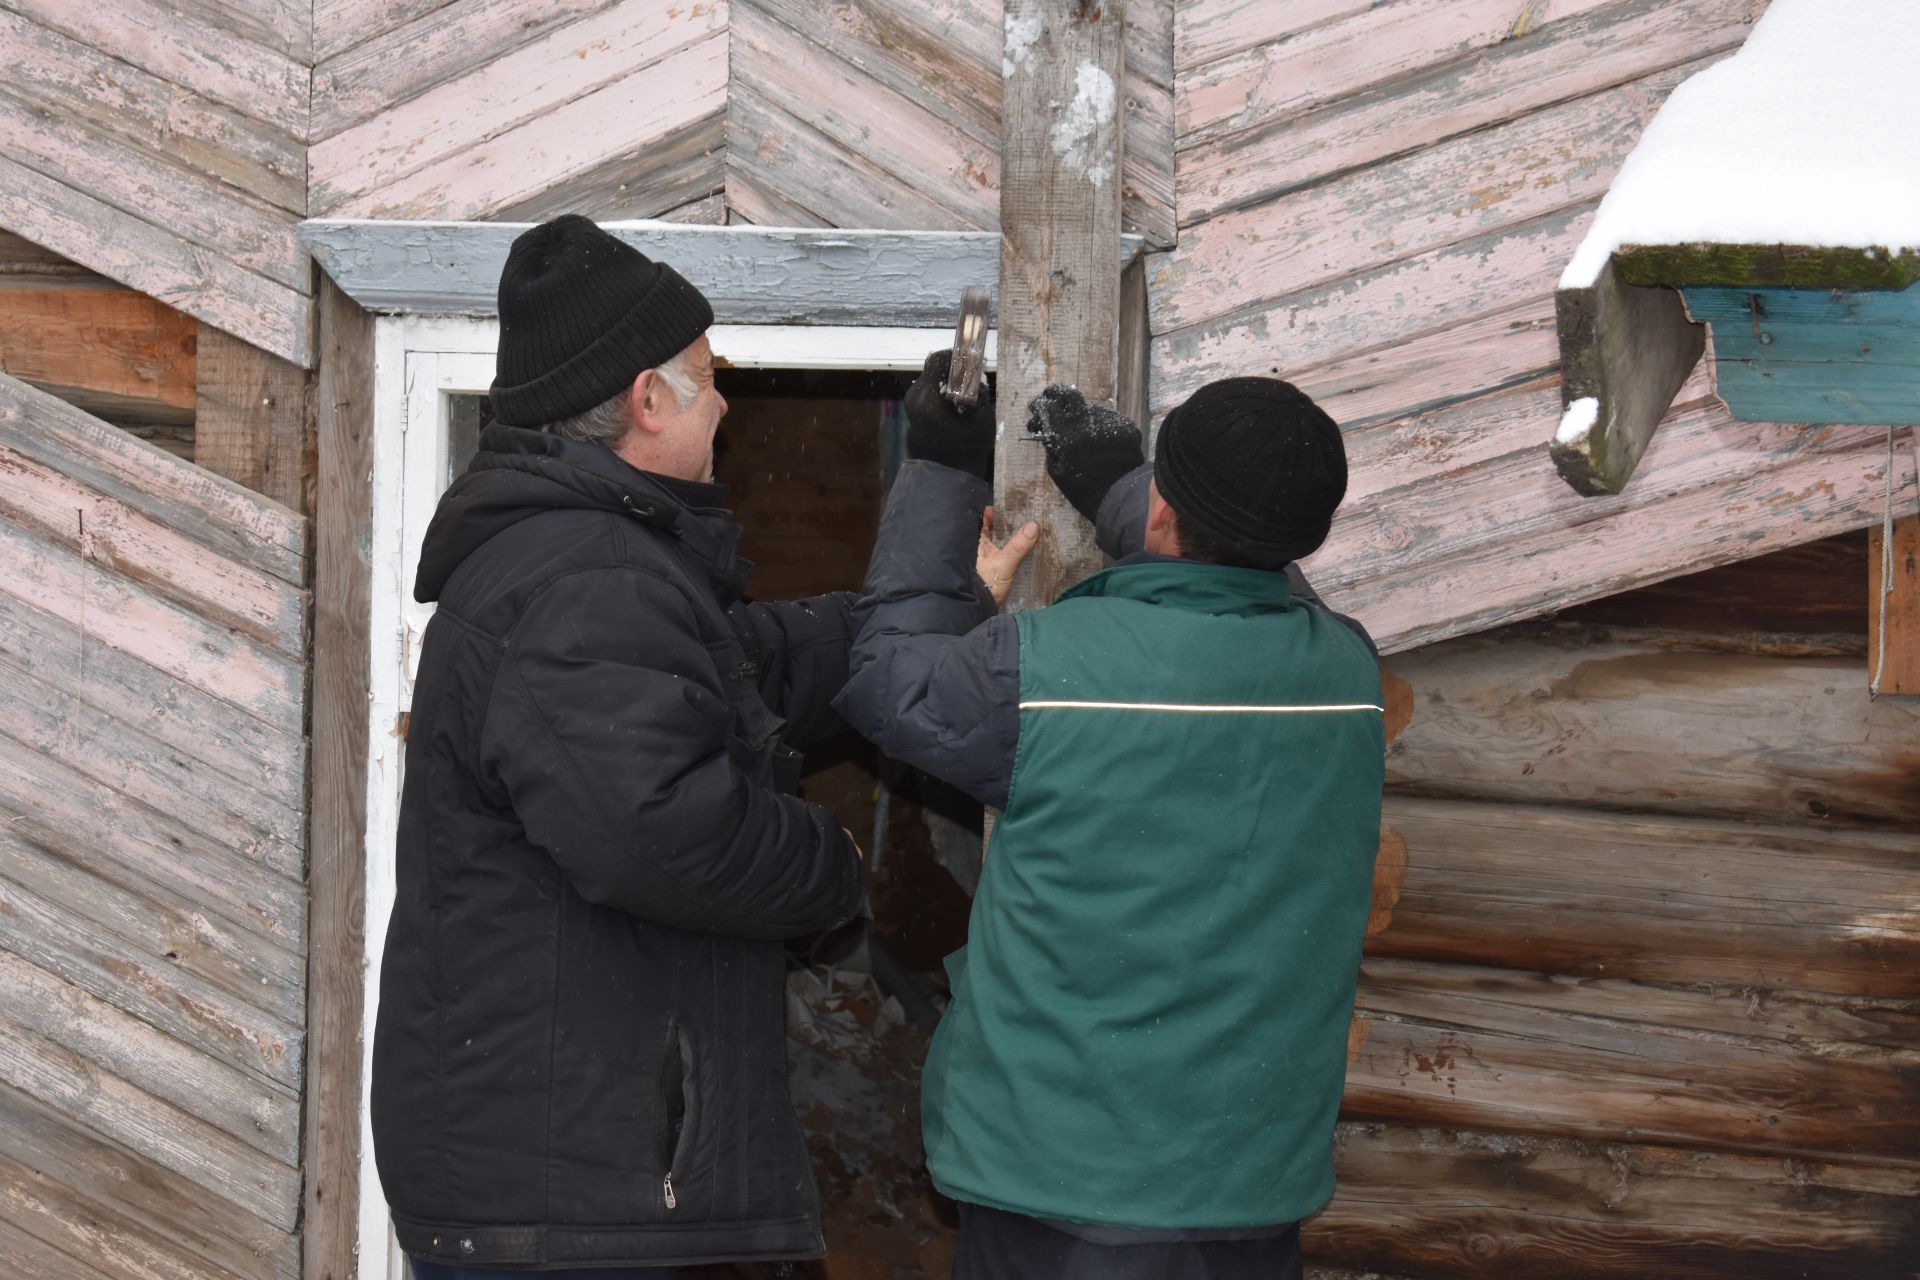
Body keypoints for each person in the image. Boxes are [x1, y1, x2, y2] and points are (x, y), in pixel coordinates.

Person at [370, 215, 870, 1278]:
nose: (727, 399)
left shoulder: (594, 559)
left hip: (563, 1180)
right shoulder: (587, 575)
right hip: (572, 1197)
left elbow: (747, 670)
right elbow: (660, 831)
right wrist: (833, 865)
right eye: (708, 374)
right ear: (649, 398)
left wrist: (927, 597)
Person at [833, 359, 1386, 1279]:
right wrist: (1121, 484)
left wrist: (940, 464)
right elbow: (1260, 576)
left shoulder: (1044, 675)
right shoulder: (1347, 679)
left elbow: (887, 681)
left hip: (1063, 1191)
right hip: (1249, 1186)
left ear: (1165, 510)